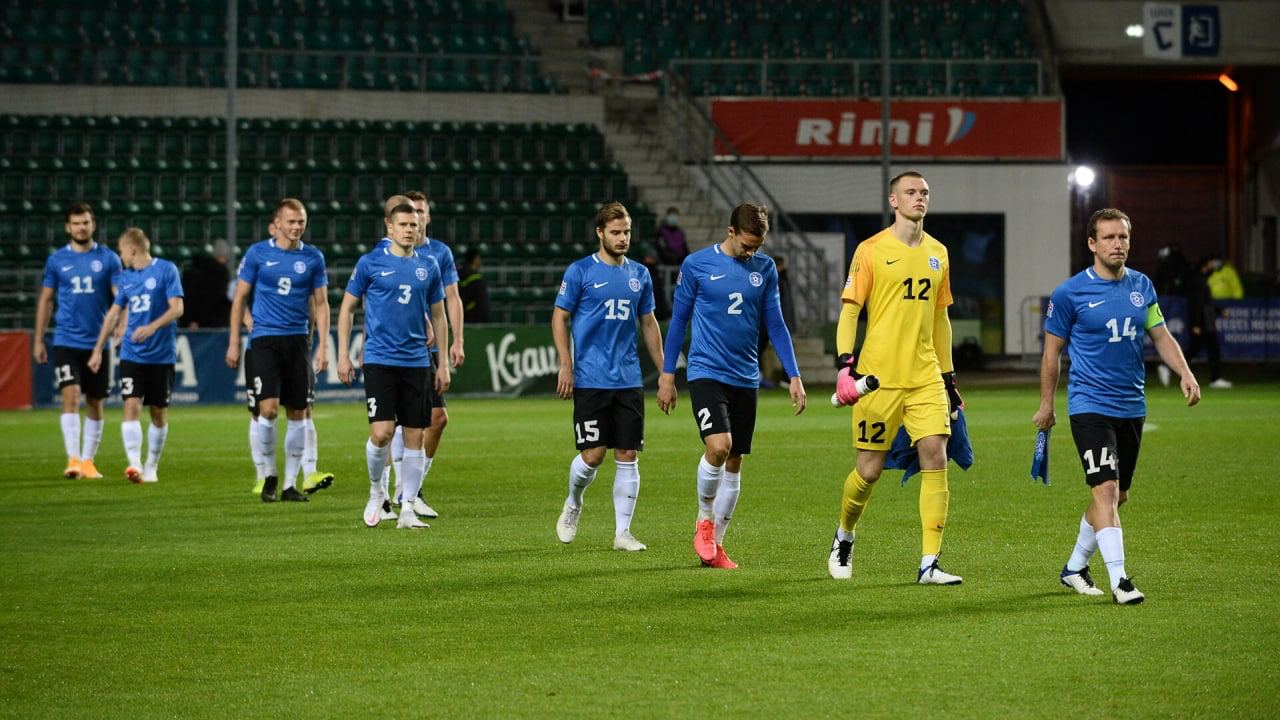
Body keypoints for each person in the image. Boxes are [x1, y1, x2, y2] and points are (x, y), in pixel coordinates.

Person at [1033, 208, 1200, 605]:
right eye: (1108, 237)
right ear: (1092, 244)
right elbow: (1052, 353)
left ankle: (1074, 568)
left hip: (1132, 406)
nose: (1117, 244)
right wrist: (1047, 404)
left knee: (1116, 495)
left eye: (1122, 237)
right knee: (1105, 489)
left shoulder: (1142, 285)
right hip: (1089, 405)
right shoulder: (1070, 293)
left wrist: (1185, 372)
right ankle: (1120, 580)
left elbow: (1160, 335)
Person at [825, 171, 965, 585]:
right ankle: (844, 535)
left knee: (935, 456)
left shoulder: (939, 252)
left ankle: (929, 563)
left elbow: (940, 319)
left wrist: (948, 379)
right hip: (878, 378)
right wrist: (845, 364)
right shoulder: (871, 250)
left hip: (925, 376)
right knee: (868, 471)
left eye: (924, 192)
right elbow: (851, 310)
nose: (919, 198)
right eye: (910, 192)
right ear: (893, 200)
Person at [657, 203, 807, 569]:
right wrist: (667, 374)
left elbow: (776, 325)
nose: (751, 252)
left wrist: (794, 374)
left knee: (735, 460)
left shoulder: (765, 269)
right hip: (706, 372)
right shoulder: (697, 265)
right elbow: (679, 322)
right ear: (730, 232)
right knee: (719, 447)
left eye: (757, 246)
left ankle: (717, 546)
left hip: (746, 376)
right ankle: (703, 520)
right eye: (746, 245)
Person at [552, 202, 666, 551]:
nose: (622, 238)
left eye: (626, 232)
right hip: (590, 378)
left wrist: (665, 373)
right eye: (615, 232)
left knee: (628, 453)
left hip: (629, 379)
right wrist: (566, 365)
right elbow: (559, 317)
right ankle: (574, 501)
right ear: (600, 232)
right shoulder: (580, 271)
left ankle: (622, 533)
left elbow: (649, 323)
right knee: (593, 455)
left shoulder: (640, 275)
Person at [337, 203, 450, 530]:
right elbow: (347, 309)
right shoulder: (370, 263)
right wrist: (343, 354)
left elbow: (439, 316)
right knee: (382, 432)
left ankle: (408, 509)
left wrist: (443, 363)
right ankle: (377, 491)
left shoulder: (429, 265)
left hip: (417, 361)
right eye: (403, 224)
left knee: (415, 435)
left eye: (414, 224)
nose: (409, 230)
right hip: (380, 359)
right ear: (389, 227)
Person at [224, 199, 330, 503]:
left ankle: (289, 484)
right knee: (267, 410)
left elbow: (321, 304)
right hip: (264, 341)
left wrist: (322, 346)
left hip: (297, 341)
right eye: (291, 221)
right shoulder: (258, 253)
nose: (296, 227)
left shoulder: (313, 257)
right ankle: (269, 473)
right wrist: (234, 342)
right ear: (278, 223)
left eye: (301, 222)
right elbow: (239, 299)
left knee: (298, 412)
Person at [33, 202, 124, 480]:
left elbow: (120, 296)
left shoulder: (108, 259)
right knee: (71, 396)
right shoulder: (57, 260)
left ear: (93, 225)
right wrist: (39, 339)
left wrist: (122, 323)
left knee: (95, 402)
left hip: (97, 342)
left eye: (85, 222)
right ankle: (73, 459)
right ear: (67, 227)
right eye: (76, 223)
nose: (81, 227)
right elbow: (46, 300)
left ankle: (88, 461)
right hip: (66, 340)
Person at [87, 229, 184, 483]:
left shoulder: (166, 270)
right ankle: (135, 464)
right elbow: (113, 314)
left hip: (161, 355)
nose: (120, 256)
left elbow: (177, 309)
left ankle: (152, 465)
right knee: (131, 404)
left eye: (121, 250)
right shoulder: (126, 278)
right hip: (132, 354)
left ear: (132, 249)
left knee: (158, 413)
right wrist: (98, 349)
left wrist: (152, 327)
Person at [1185, 256, 1231, 389]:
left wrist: (1219, 311)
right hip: (1203, 322)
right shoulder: (1198, 281)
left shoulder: (1202, 279)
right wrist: (1196, 324)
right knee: (1212, 349)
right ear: (1205, 264)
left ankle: (1167, 366)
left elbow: (1206, 303)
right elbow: (1197, 304)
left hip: (1204, 321)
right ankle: (1215, 379)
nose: (1214, 264)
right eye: (1212, 262)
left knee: (1194, 349)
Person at [181, 239, 233, 328]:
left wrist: (190, 320)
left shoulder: (191, 271)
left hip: (189, 320)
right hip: (211, 322)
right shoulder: (221, 273)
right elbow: (214, 299)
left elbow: (188, 297)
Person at [458, 248, 492, 324]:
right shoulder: (476, 279)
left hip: (464, 317)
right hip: (475, 318)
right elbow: (481, 301)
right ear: (475, 259)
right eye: (478, 258)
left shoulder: (458, 275)